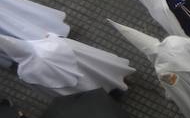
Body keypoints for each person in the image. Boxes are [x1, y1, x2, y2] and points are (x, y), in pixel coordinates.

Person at [0, 32, 134, 96]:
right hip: (86, 70)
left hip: (77, 89)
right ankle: (117, 82)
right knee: (99, 74)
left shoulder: (25, 72)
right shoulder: (52, 44)